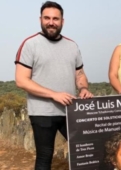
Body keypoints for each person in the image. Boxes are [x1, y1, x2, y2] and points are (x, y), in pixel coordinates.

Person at [14, 1, 93, 169]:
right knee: (44, 156)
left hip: (70, 110)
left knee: (86, 148)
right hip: (42, 112)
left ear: (62, 21)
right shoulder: (30, 44)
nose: (51, 22)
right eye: (47, 18)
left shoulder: (72, 46)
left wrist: (84, 88)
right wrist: (54, 94)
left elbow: (79, 74)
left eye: (55, 18)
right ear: (40, 19)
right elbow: (21, 80)